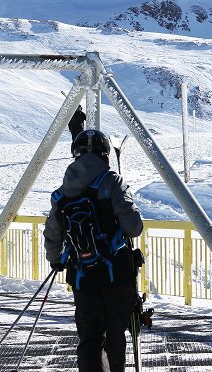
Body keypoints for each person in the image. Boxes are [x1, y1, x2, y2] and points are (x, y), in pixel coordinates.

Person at [44, 129, 143, 372]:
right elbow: (134, 228)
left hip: (82, 277)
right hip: (116, 275)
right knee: (115, 336)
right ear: (106, 154)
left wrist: (56, 260)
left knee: (89, 339)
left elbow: (52, 233)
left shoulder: (62, 194)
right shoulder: (113, 182)